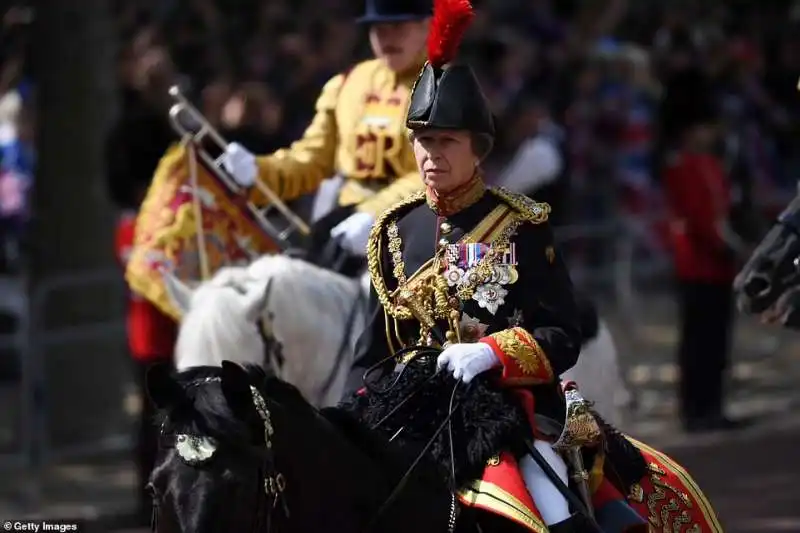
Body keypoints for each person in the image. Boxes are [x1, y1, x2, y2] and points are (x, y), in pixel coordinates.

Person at [343, 2, 645, 531]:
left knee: (553, 514)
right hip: (412, 414)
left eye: (446, 142)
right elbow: (371, 351)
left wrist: (491, 353)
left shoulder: (521, 225)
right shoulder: (393, 230)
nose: (431, 155)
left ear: (478, 149)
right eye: (423, 141)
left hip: (507, 414)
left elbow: (562, 333)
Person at [220, 0, 433, 263]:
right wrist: (259, 171)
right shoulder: (348, 84)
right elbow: (312, 159)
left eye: (398, 27)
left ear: (427, 26)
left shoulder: (445, 87)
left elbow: (437, 174)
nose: (388, 38)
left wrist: (377, 213)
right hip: (344, 223)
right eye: (378, 29)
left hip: (417, 229)